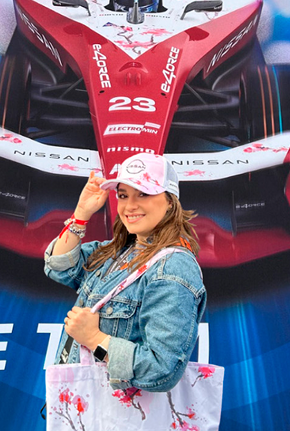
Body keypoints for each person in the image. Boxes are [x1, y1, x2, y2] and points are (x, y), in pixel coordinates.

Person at [44, 153, 206, 392]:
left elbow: (162, 369)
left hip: (118, 413)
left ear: (170, 201)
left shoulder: (172, 267)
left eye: (143, 194)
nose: (130, 205)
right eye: (123, 195)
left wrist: (94, 339)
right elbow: (60, 267)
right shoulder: (119, 251)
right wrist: (81, 214)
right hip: (81, 406)